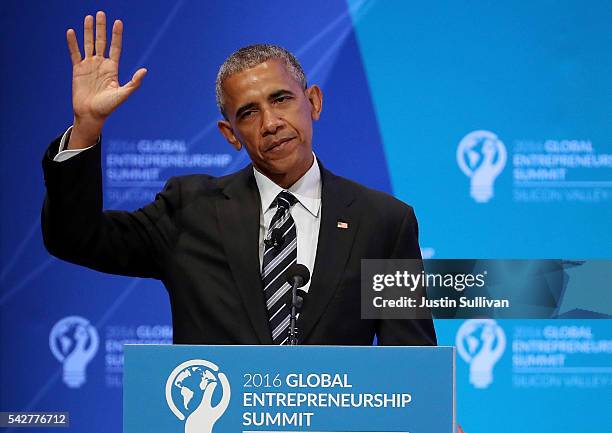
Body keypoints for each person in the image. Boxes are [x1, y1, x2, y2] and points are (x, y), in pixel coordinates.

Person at [42, 11, 436, 347]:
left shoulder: (383, 222)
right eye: (248, 113)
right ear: (230, 134)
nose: (270, 123)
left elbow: (411, 356)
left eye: (281, 99)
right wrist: (86, 127)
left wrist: (433, 415)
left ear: (313, 101)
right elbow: (74, 237)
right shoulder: (189, 211)